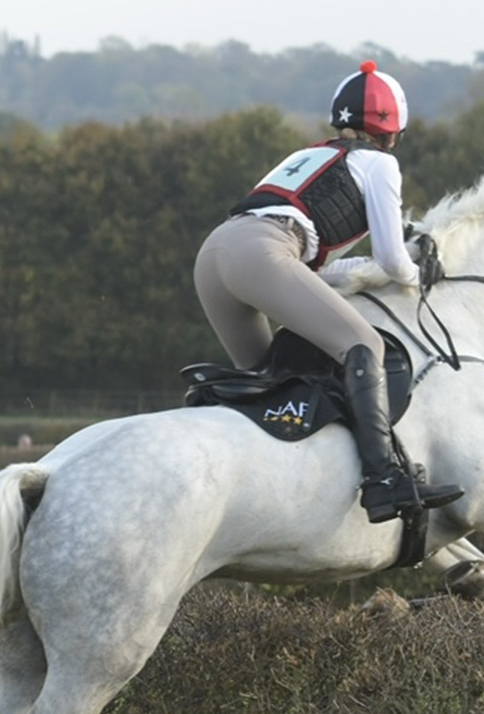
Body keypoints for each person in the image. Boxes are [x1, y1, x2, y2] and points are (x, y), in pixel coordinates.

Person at [194, 61, 461, 524]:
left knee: (269, 384)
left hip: (215, 254)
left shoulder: (309, 156)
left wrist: (380, 268)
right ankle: (383, 481)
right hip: (264, 253)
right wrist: (422, 276)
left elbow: (326, 274)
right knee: (365, 344)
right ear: (393, 129)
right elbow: (394, 261)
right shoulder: (379, 162)